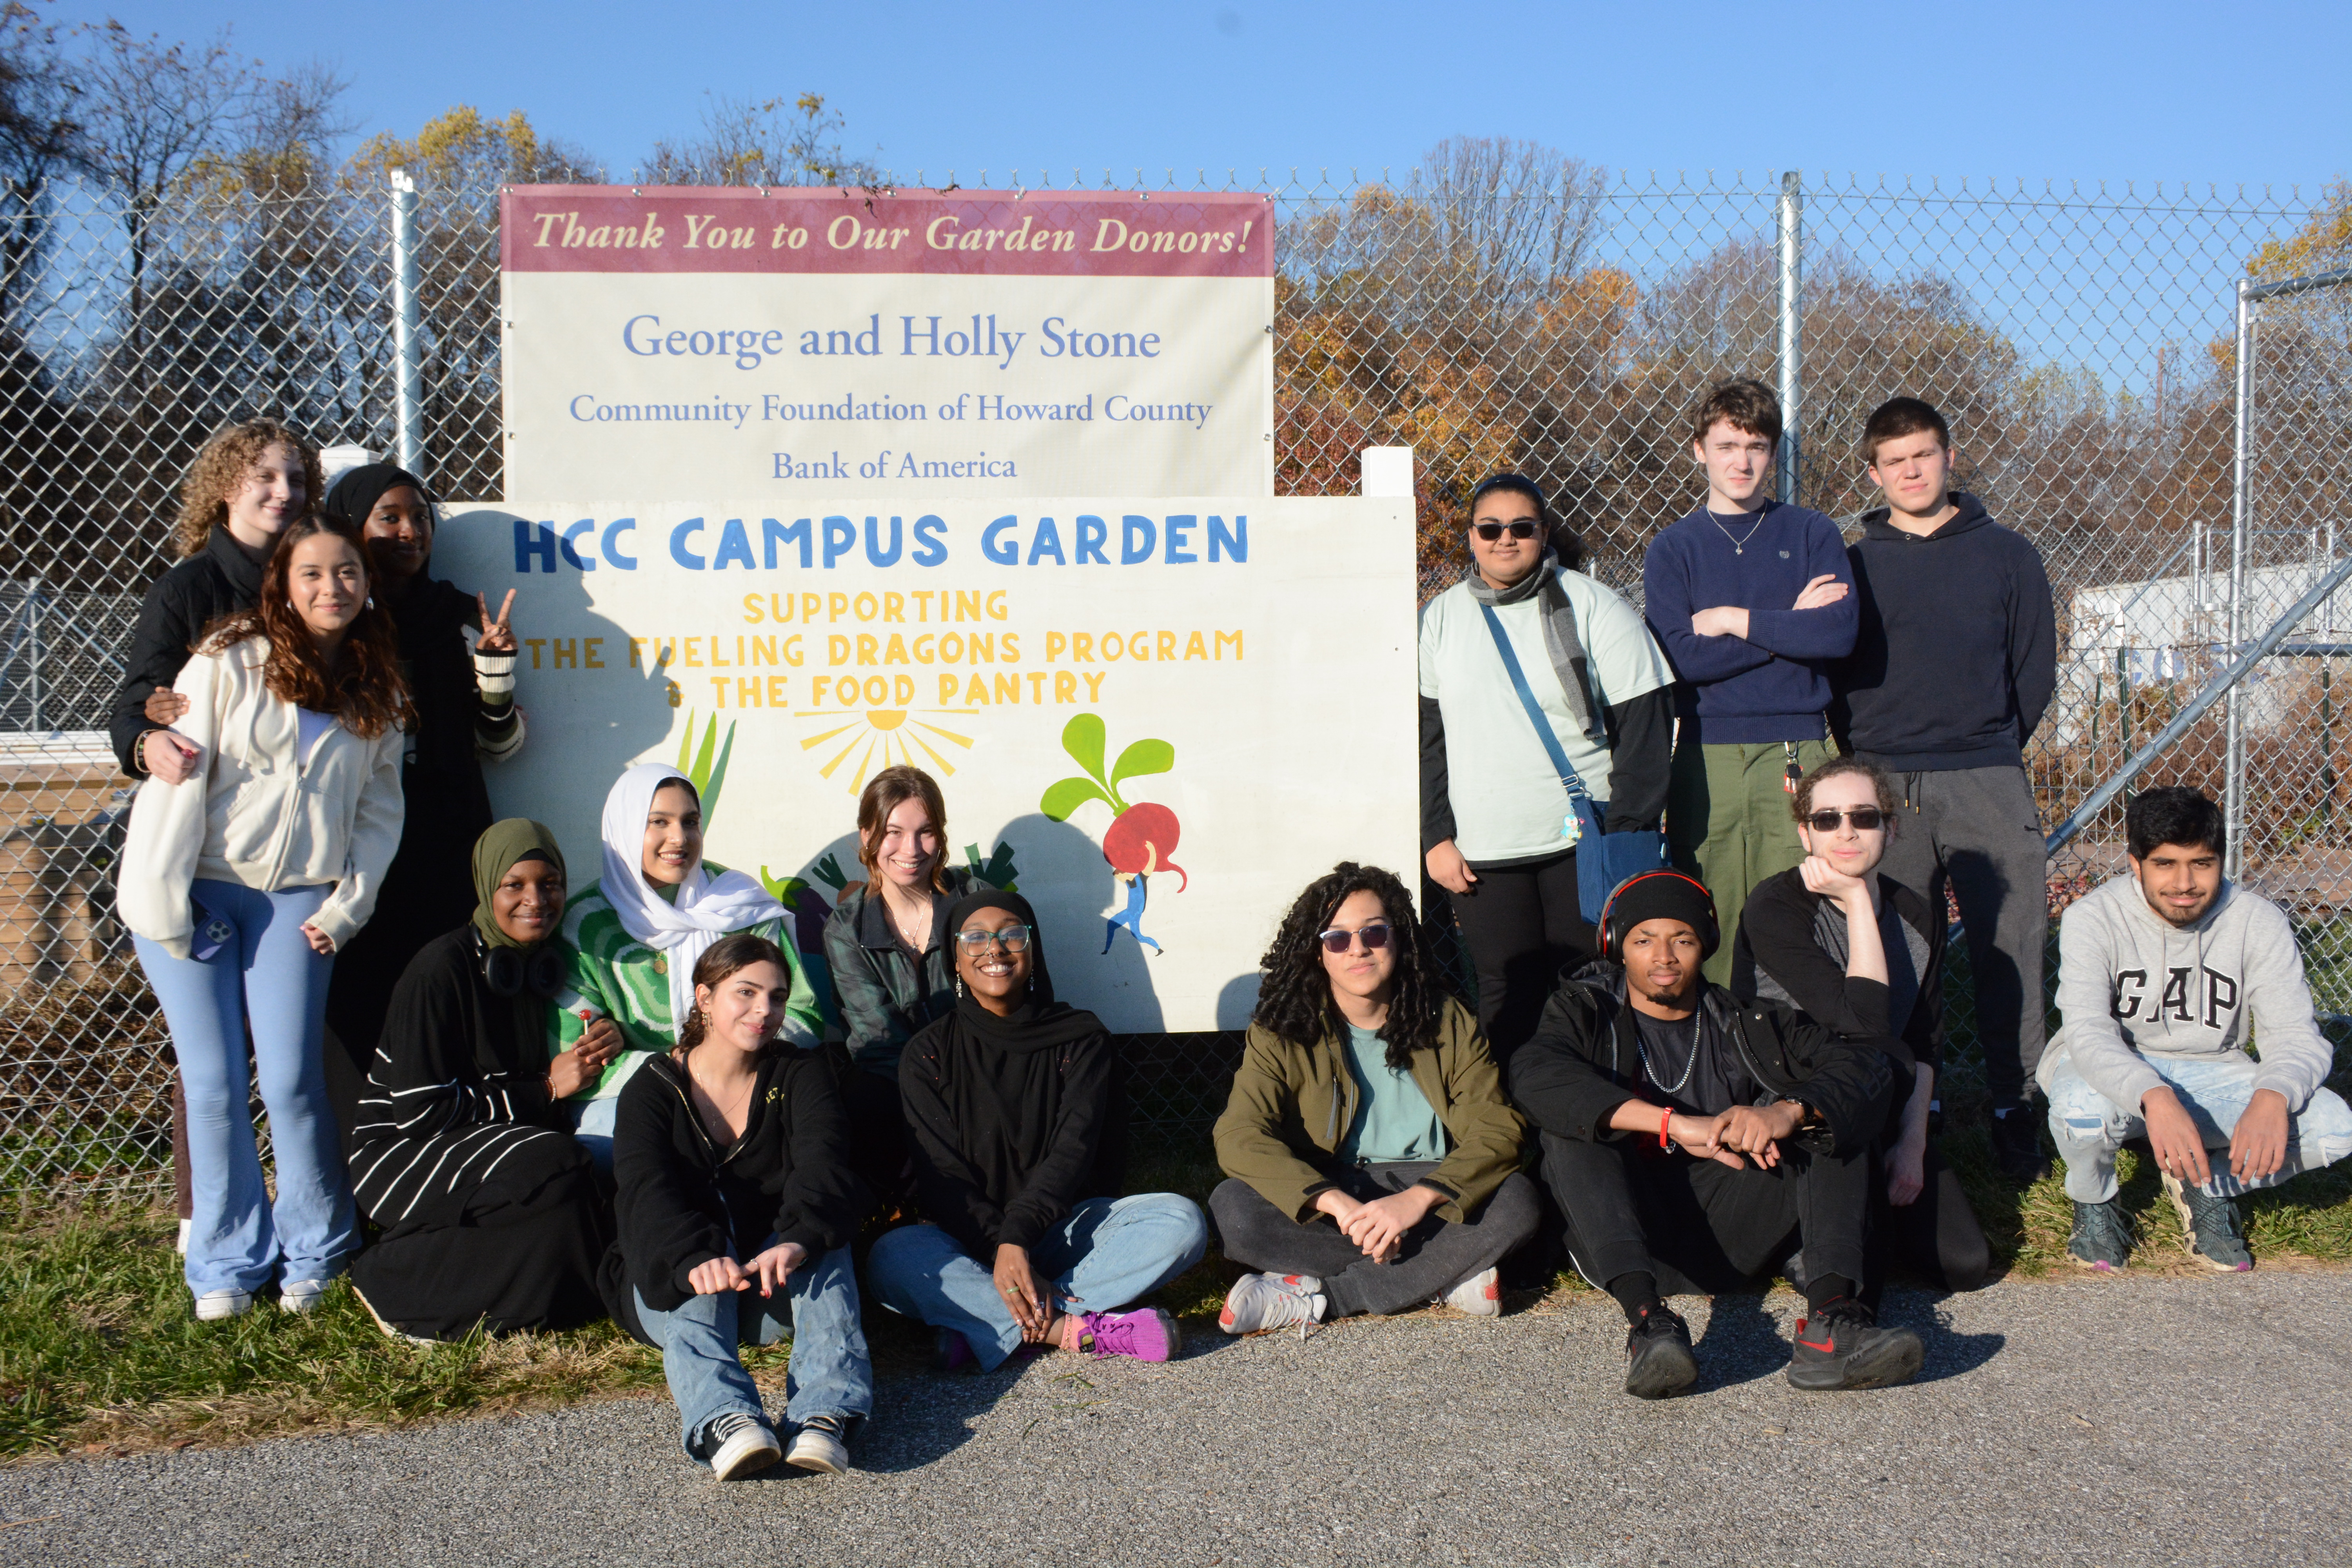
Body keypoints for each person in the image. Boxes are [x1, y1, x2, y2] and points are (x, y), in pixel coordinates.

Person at [114, 515, 408, 1319]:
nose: (331, 587)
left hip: (300, 898)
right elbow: (178, 789)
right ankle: (225, 1263)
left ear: (366, 581)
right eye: (311, 573)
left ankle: (316, 1246)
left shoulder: (378, 681)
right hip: (197, 889)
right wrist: (168, 907)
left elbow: (381, 812)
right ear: (281, 582)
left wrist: (348, 905)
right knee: (211, 1083)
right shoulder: (226, 662)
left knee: (290, 1080)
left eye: (346, 571)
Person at [1508, 870, 1920, 1398]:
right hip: (1627, 1231)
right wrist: (1672, 1123)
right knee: (1571, 1131)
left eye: (1681, 939)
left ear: (1705, 946)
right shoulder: (1585, 1010)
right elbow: (1535, 1074)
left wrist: (1789, 1114)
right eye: (1643, 940)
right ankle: (1649, 1325)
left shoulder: (1748, 1022)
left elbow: (1864, 1070)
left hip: (1732, 1219)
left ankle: (1833, 1323)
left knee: (1830, 1121)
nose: (1663, 957)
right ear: (1616, 947)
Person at [108, 419, 322, 1249]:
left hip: (292, 859)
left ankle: (308, 1229)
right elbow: (135, 702)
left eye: (296, 480)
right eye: (265, 478)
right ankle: (214, 1227)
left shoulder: (316, 583)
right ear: (226, 487)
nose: (282, 493)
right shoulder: (190, 588)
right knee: (212, 1068)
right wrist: (147, 737)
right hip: (200, 854)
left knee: (289, 1069)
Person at [1831, 396, 2056, 1181]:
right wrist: (1864, 758)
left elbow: (2034, 672)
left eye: (1924, 454)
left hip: (1987, 772)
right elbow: (1834, 670)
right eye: (1895, 461)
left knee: (2012, 946)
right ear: (1875, 473)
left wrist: (1987, 744)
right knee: (1896, 950)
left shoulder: (2008, 555)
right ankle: (1907, 1104)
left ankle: (2014, 1103)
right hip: (1884, 780)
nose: (1912, 470)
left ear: (1949, 457)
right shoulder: (1855, 563)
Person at [866, 889, 1208, 1370]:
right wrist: (999, 1248)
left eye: (1012, 935)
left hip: (1064, 1232)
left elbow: (1073, 1154)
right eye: (976, 938)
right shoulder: (927, 1055)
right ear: (957, 961)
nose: (996, 949)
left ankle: (985, 1325)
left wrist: (1020, 1239)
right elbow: (942, 1177)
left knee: (1181, 1221)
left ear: (1034, 948)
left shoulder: (1081, 1039)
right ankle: (1071, 1329)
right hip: (969, 1242)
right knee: (891, 1256)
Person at [1209, 863, 1541, 1335]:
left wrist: (1417, 1201)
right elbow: (1240, 1135)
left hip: (1429, 1187)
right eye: (1337, 938)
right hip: (1334, 1190)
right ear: (1317, 952)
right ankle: (1441, 1274)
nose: (1358, 949)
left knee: (1516, 1201)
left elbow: (1497, 1127)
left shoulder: (1444, 1018)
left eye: (1374, 933)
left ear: (1399, 938)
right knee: (1235, 1210)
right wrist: (1337, 1204)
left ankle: (1324, 1295)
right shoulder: (1282, 1030)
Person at [2042, 786, 2352, 1272]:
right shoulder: (2093, 918)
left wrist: (2274, 1095)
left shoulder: (2258, 922)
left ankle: (2209, 1185)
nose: (2185, 883)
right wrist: (2156, 1096)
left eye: (2202, 864)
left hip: (2214, 1069)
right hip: (2120, 1066)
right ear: (2136, 863)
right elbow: (2088, 1033)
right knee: (2082, 1113)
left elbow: (2295, 1034)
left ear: (2222, 861)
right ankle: (2095, 1202)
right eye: (2165, 864)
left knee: (2336, 1129)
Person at [1419, 472, 1675, 1061]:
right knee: (1506, 992)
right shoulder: (1439, 619)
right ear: (1471, 537)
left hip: (1584, 841)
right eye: (1490, 528)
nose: (1505, 540)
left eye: (1521, 528)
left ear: (1544, 532)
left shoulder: (1593, 604)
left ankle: (1594, 1128)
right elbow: (1428, 742)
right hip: (1485, 851)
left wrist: (1628, 832)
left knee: (1590, 983)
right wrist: (1437, 836)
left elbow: (1645, 726)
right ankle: (1518, 1134)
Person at [604, 934, 874, 1479]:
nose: (764, 1011)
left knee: (824, 1240)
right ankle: (723, 1420)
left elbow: (824, 1166)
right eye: (745, 993)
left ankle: (825, 1414)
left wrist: (797, 1239)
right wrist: (691, 1256)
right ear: (704, 997)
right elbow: (644, 1189)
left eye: (776, 998)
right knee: (701, 1259)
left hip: (770, 1290)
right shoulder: (652, 1088)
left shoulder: (798, 1074)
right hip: (673, 1291)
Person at [318, 463, 526, 1156]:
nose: (411, 533)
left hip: (445, 833)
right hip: (362, 839)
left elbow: (496, 742)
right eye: (390, 518)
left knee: (448, 988)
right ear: (351, 528)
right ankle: (364, 1167)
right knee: (360, 998)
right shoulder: (334, 622)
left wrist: (493, 668)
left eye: (422, 519)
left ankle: (452, 1149)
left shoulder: (454, 616)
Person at [345, 821, 616, 1341]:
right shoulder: (439, 971)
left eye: (551, 883)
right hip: (400, 1153)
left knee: (575, 1206)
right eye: (514, 885)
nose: (536, 899)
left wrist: (606, 1036)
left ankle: (537, 1302)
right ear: (486, 885)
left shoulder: (544, 967)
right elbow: (421, 1112)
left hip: (488, 1139)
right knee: (559, 1165)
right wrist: (546, 1090)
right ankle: (388, 1277)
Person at [1732, 759, 1990, 1292]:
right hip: (1802, 1111)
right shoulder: (1775, 907)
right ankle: (1813, 1237)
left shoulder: (1914, 913)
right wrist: (1853, 900)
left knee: (1962, 1263)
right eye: (1827, 820)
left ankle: (1853, 1225)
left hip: (1885, 1106)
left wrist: (1913, 1144)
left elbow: (1922, 1041)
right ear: (1805, 833)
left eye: (1864, 817)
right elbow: (1863, 1025)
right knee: (1862, 1271)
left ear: (1891, 829)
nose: (1846, 832)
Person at [1643, 379, 1857, 986]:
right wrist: (1790, 625)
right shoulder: (1674, 548)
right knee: (1709, 907)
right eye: (1727, 445)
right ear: (1698, 451)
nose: (1742, 461)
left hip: (1796, 745)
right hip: (1705, 751)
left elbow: (1836, 636)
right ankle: (1714, 1058)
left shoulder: (1812, 533)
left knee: (1799, 906)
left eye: (1757, 446)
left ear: (1774, 452)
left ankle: (1796, 1058)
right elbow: (1680, 659)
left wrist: (1734, 622)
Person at [553, 762, 822, 1171]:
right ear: (625, 827)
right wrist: (678, 1073)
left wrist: (724, 1067)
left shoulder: (737, 905)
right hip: (628, 1098)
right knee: (609, 1144)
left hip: (748, 1081)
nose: (679, 838)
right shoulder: (586, 924)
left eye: (691, 821)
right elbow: (579, 1061)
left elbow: (803, 1015)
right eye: (657, 822)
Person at [822, 764, 985, 1208]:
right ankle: (904, 1204)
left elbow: (1002, 1011)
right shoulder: (846, 928)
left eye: (926, 831)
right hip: (901, 1082)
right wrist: (940, 1095)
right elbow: (877, 1040)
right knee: (865, 1095)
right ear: (867, 837)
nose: (911, 849)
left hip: (981, 1071)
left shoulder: (975, 901)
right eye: (894, 832)